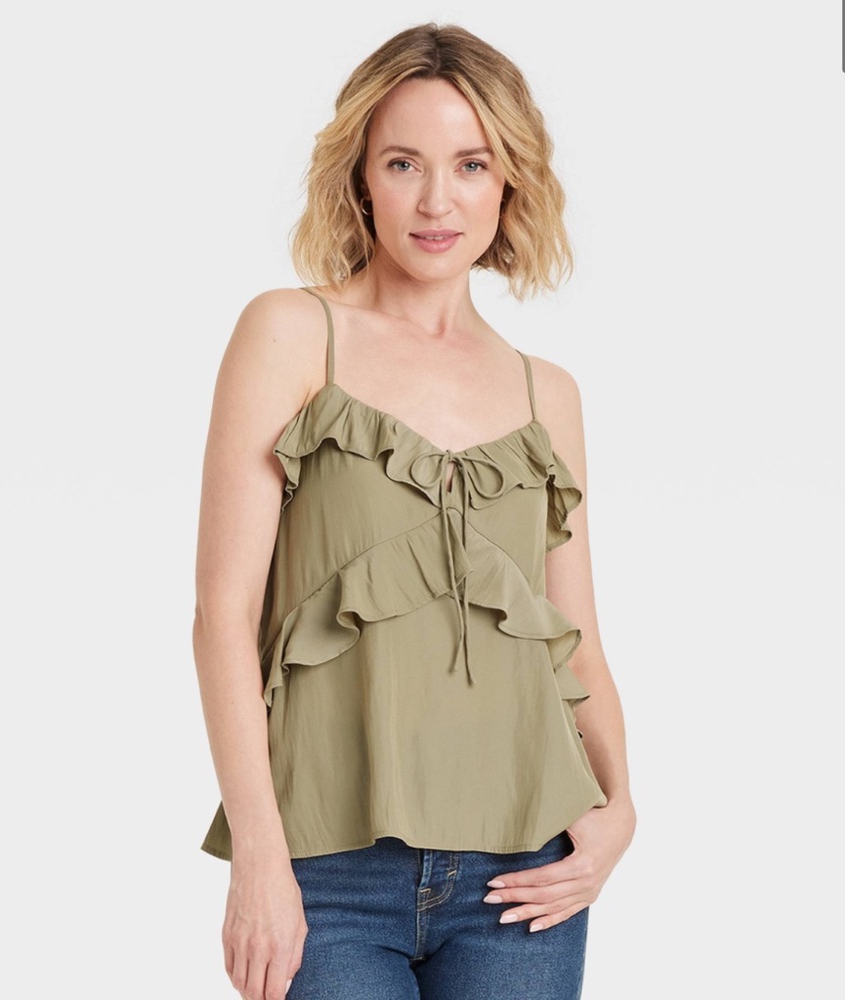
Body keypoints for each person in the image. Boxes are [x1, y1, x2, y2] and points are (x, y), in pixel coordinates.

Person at [193, 22, 636, 1000]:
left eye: (471, 165)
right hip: (326, 875)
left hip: (525, 873)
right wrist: (259, 858)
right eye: (404, 163)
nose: (438, 201)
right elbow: (223, 616)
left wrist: (621, 810)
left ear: (509, 181)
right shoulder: (291, 333)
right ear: (361, 178)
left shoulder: (547, 393)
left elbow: (576, 647)